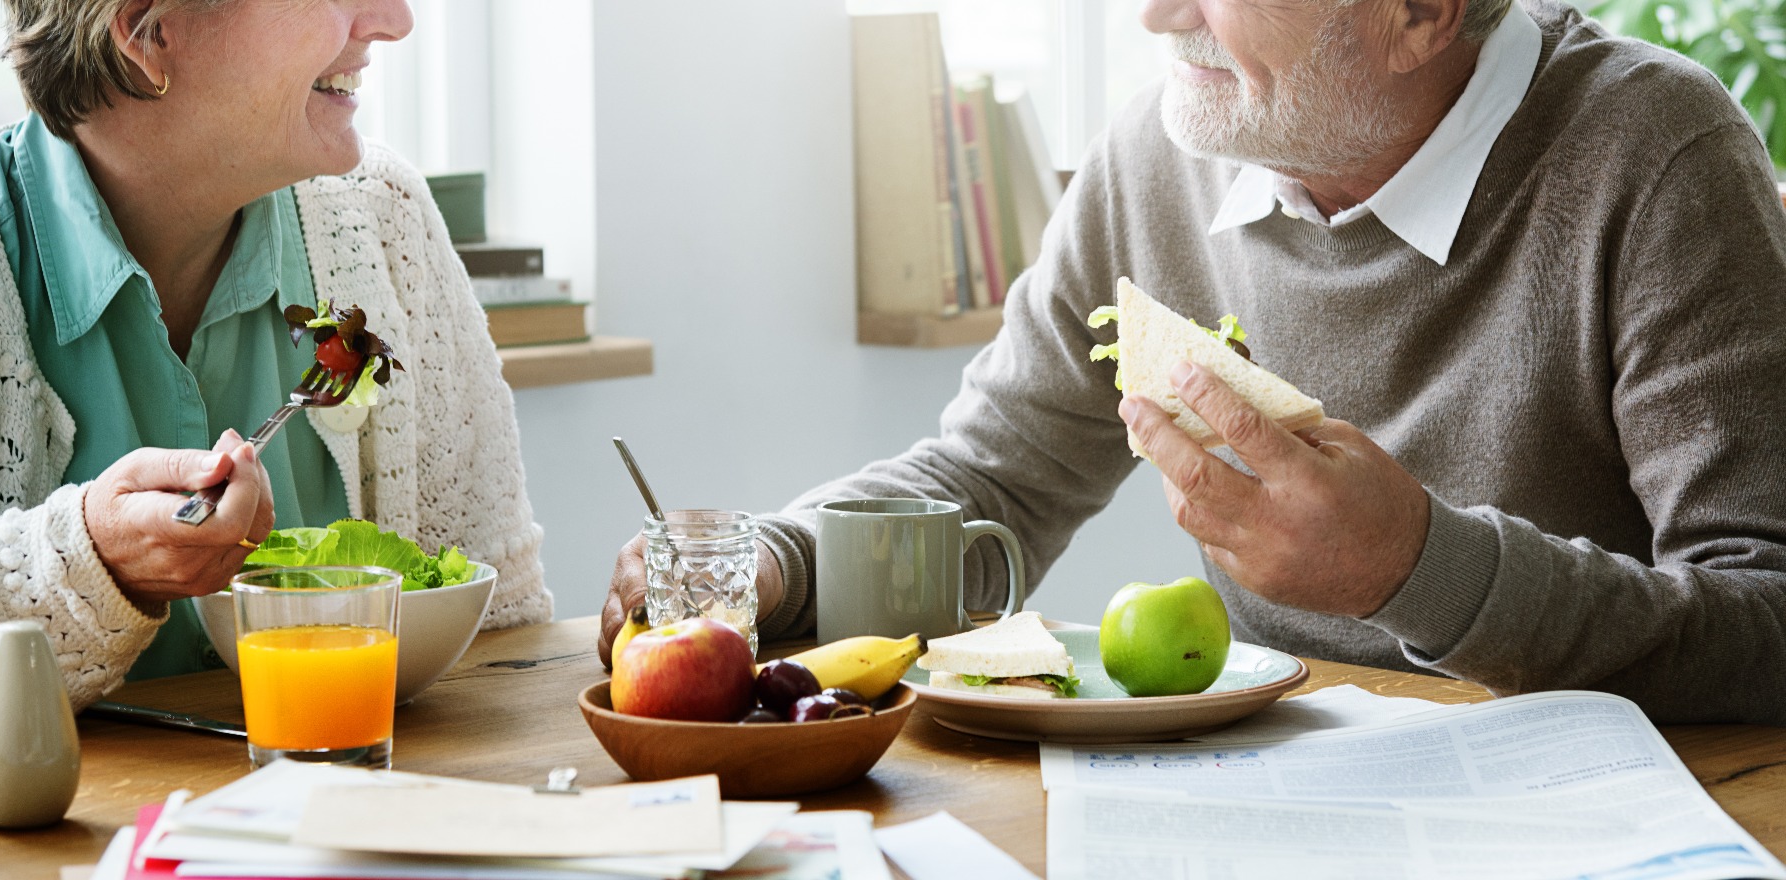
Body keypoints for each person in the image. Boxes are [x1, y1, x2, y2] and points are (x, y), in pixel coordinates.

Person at [601, 0, 1786, 724]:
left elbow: (1767, 622)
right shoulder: (1162, 152)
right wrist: (777, 556)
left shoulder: (1658, 158)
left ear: (1422, 10)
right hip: (1260, 793)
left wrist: (1415, 567)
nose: (1157, 13)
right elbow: (993, 478)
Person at [0, 0, 551, 730]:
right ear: (147, 32)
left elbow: (502, 640)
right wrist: (88, 561)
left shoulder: (386, 222)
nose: (393, 19)